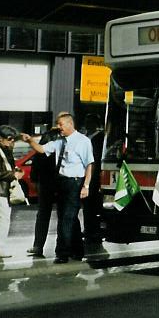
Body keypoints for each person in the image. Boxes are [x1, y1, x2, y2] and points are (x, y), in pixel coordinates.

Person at [22, 112, 95, 264]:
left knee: (66, 218)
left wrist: (86, 186)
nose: (58, 127)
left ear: (70, 124)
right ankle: (78, 249)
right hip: (61, 182)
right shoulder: (60, 141)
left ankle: (62, 252)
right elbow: (42, 149)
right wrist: (30, 141)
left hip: (75, 182)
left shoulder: (83, 141)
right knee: (68, 217)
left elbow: (89, 164)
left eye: (61, 124)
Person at [0, 125, 26, 259]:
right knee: (4, 218)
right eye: (10, 139)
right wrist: (13, 175)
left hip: (0, 189)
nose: (12, 142)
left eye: (14, 139)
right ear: (1, 139)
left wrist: (15, 172)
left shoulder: (4, 150)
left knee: (0, 218)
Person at [25, 127, 59, 257]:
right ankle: (65, 245)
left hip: (45, 181)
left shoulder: (46, 139)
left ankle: (38, 245)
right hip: (59, 180)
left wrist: (34, 178)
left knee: (43, 214)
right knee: (64, 215)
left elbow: (37, 161)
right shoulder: (63, 140)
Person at [81, 113, 104, 244]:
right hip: (84, 175)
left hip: (94, 177)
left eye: (91, 122)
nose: (88, 124)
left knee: (93, 205)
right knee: (86, 205)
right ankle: (88, 228)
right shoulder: (85, 137)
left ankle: (94, 230)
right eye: (87, 121)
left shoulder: (99, 138)